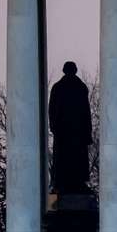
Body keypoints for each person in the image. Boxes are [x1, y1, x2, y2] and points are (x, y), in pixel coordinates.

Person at [48, 61, 92, 195]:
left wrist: (54, 126)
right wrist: (87, 132)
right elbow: (86, 112)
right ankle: (74, 184)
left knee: (63, 160)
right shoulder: (80, 87)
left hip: (64, 132)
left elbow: (52, 110)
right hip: (75, 132)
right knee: (75, 159)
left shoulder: (58, 87)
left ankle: (59, 185)